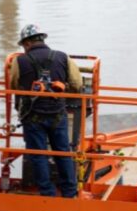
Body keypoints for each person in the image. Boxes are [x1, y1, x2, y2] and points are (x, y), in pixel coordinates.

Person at [8, 24, 82, 197]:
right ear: (42, 39)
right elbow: (77, 84)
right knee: (63, 152)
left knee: (38, 154)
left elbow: (13, 86)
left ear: (26, 44)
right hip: (57, 114)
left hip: (32, 116)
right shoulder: (63, 57)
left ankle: (47, 192)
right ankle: (70, 191)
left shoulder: (19, 61)